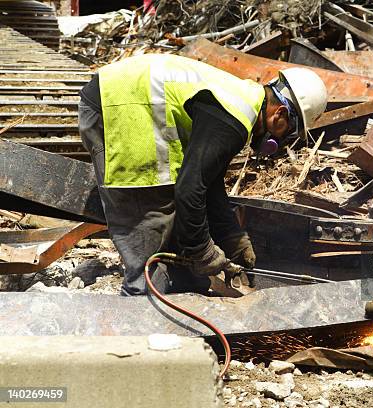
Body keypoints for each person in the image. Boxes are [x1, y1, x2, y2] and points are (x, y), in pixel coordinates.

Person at [78, 53, 328, 296]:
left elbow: (210, 182)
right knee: (151, 221)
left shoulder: (240, 104)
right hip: (118, 106)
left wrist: (233, 238)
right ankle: (139, 309)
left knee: (178, 243)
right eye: (289, 133)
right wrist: (202, 252)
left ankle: (173, 290)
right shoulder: (233, 119)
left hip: (123, 98)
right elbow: (190, 189)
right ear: (280, 115)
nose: (282, 141)